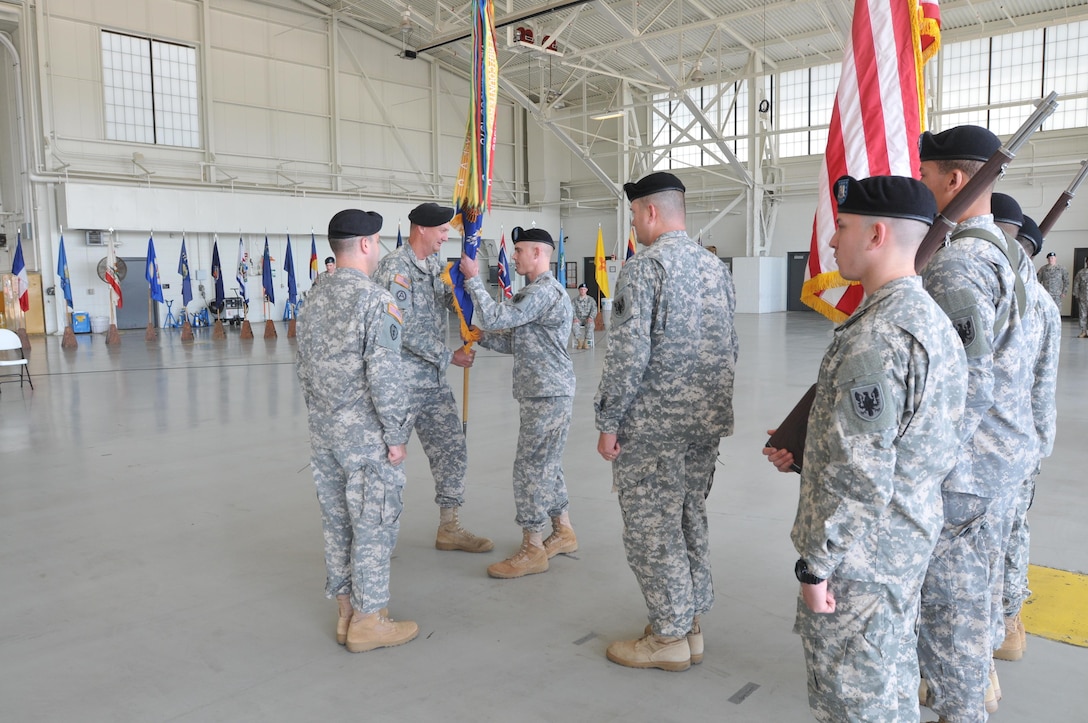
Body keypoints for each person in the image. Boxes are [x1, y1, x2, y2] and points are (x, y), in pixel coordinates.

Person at [763, 175, 967, 721]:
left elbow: (861, 477)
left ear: (876, 234)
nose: (832, 243)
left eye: (843, 228)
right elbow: (908, 441)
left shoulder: (876, 336)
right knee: (891, 683)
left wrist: (816, 564)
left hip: (861, 559)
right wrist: (811, 452)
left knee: (853, 701)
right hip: (903, 540)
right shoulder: (929, 320)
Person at [915, 126, 1036, 722]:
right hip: (1004, 457)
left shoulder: (958, 264)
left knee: (948, 611)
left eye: (927, 174)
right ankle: (978, 688)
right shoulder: (1006, 252)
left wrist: (923, 468)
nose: (922, 183)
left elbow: (968, 382)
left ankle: (960, 706)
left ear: (954, 180)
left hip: (967, 468)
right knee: (977, 596)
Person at [594, 171, 738, 672]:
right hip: (705, 424)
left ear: (650, 212)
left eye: (635, 214)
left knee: (652, 530)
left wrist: (609, 420)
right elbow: (731, 346)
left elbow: (628, 355)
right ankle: (691, 624)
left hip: (654, 427)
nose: (634, 223)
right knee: (688, 517)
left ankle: (669, 636)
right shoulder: (714, 268)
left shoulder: (644, 268)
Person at [295, 209, 418, 653]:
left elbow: (304, 368)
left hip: (325, 431)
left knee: (337, 523)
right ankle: (370, 620)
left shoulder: (315, 295)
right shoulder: (375, 299)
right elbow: (385, 375)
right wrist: (397, 433)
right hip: (366, 435)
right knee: (373, 521)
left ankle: (346, 613)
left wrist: (323, 417)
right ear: (366, 244)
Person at [457, 226, 578, 578]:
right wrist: (479, 337)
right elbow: (514, 342)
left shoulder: (543, 293)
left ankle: (532, 546)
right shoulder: (537, 294)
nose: (514, 256)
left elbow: (497, 316)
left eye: (520, 250)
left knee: (530, 468)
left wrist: (473, 279)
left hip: (546, 393)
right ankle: (563, 530)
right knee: (548, 464)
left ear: (539, 254)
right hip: (546, 391)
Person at [372, 202, 493, 554]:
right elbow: (402, 326)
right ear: (421, 229)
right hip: (401, 384)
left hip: (433, 383)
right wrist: (448, 356)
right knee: (388, 460)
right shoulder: (396, 267)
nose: (445, 235)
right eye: (442, 230)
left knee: (452, 450)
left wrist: (467, 282)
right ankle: (377, 536)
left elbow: (448, 298)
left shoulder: (432, 265)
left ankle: (449, 526)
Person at [990, 211, 1061, 663]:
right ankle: (1009, 623)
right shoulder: (1044, 303)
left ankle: (988, 636)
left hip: (992, 440)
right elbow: (1043, 379)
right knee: (1014, 529)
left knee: (980, 540)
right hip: (1028, 438)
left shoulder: (1001, 295)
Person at [571, 282, 597, 349]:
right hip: (578, 319)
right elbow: (571, 310)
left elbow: (594, 309)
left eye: (584, 289)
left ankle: (586, 342)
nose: (582, 291)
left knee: (591, 325)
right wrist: (574, 318)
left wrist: (591, 317)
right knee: (574, 325)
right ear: (579, 290)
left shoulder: (591, 300)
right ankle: (579, 341)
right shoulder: (574, 300)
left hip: (587, 319)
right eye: (581, 289)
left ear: (586, 290)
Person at [1073, 257, 1088, 338]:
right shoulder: (1081, 272)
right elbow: (1076, 284)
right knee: (1083, 315)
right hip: (1083, 298)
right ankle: (1083, 331)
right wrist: (1076, 294)